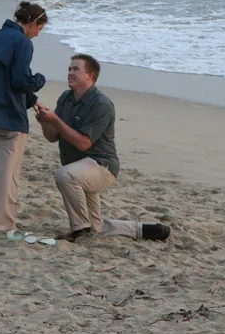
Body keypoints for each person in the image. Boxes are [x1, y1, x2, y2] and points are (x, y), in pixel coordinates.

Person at [35, 54, 171, 242]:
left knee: (64, 175)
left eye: (76, 69)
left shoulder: (101, 104)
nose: (70, 73)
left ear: (90, 76)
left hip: (101, 166)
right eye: (69, 69)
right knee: (97, 228)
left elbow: (84, 143)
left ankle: (79, 230)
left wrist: (55, 121)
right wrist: (45, 122)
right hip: (78, 169)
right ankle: (145, 230)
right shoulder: (66, 98)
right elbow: (52, 137)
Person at [0, 2, 48, 232]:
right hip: (10, 114)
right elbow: (20, 80)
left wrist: (32, 100)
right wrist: (39, 80)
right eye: (39, 29)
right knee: (6, 172)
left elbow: (1, 75)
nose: (37, 34)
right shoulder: (22, 41)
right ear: (32, 23)